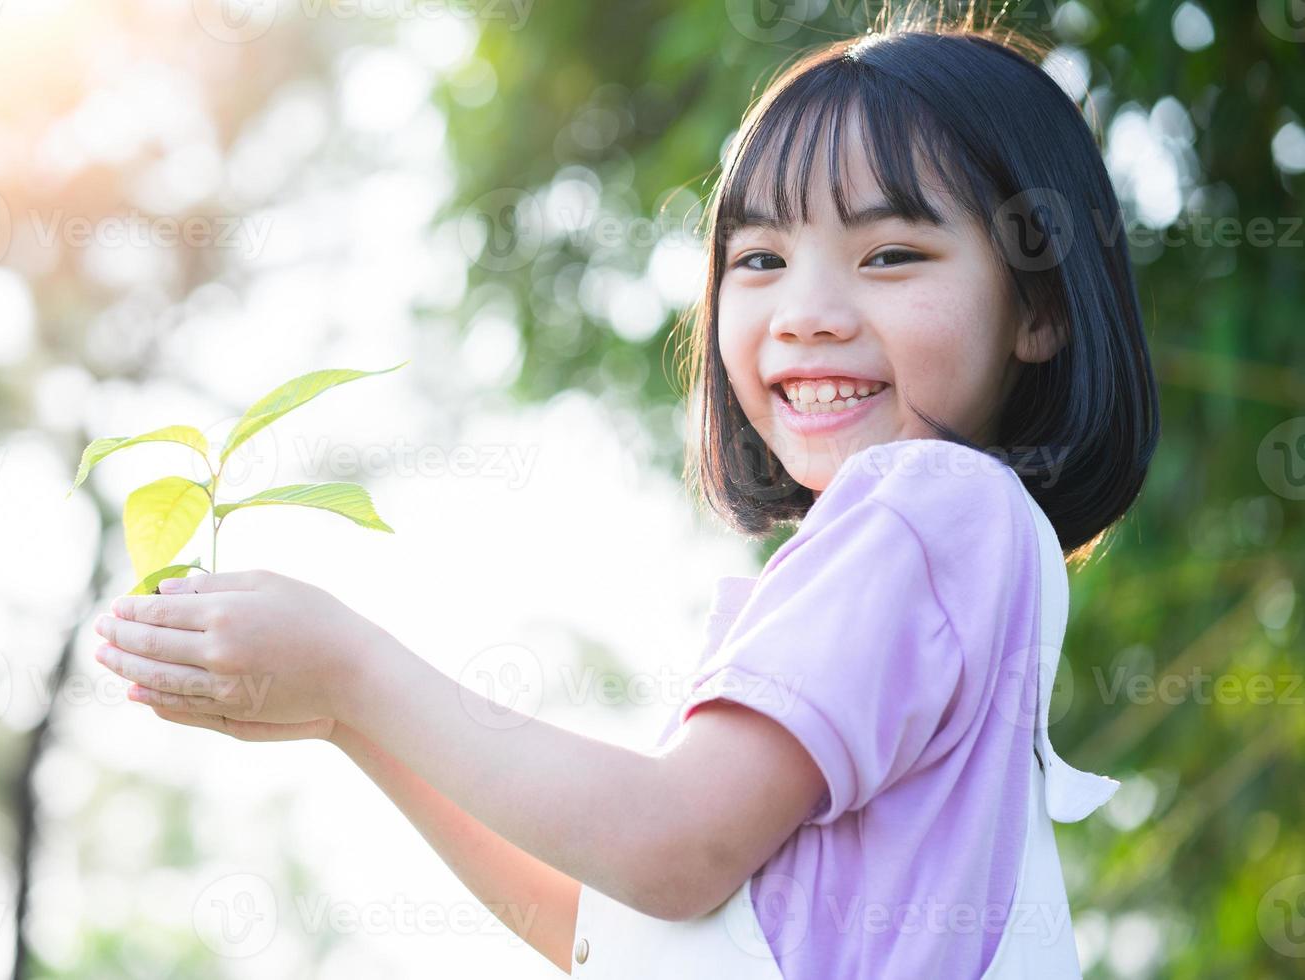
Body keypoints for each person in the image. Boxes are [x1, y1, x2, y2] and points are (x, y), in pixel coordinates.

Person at [91, 6, 1160, 976]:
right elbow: (606, 924)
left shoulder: (928, 502)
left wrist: (357, 662)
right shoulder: (935, 555)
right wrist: (346, 714)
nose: (807, 310)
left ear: (1039, 310)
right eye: (759, 259)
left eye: (888, 252)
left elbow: (670, 844)